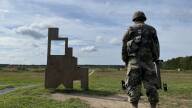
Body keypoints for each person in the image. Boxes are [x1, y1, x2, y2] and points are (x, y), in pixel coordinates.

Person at [122, 11, 160, 108]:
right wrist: (155, 58)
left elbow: (124, 44)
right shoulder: (152, 30)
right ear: (144, 18)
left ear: (134, 19)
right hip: (148, 63)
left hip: (133, 63)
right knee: (151, 88)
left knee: (133, 88)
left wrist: (126, 60)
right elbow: (156, 46)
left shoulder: (130, 30)